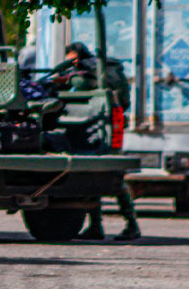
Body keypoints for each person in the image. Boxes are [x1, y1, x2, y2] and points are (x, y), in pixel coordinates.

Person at [52, 43, 141, 241]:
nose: (72, 63)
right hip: (98, 127)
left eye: (73, 59)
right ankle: (97, 226)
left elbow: (83, 86)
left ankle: (131, 225)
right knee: (94, 177)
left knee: (115, 179)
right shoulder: (102, 70)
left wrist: (68, 79)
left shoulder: (91, 71)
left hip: (102, 128)